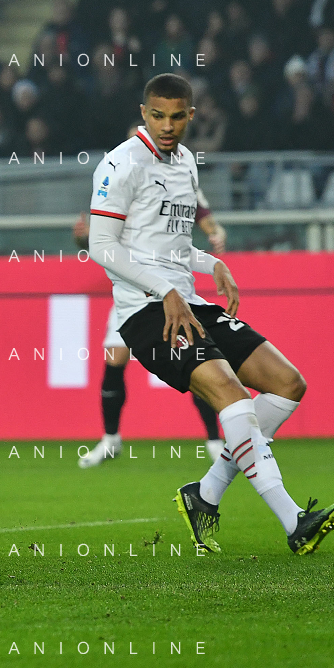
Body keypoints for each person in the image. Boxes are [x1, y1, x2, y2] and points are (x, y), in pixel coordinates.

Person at [89, 73, 334, 555]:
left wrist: (212, 264)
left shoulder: (186, 161)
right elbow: (102, 247)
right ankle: (295, 520)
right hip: (147, 312)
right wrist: (164, 289)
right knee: (232, 395)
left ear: (191, 115)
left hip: (188, 301)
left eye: (177, 116)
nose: (167, 126)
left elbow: (170, 245)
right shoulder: (120, 164)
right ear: (144, 113)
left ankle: (205, 494)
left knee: (288, 383)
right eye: (157, 116)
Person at [73, 160, 227, 468]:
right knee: (114, 360)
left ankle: (214, 440)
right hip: (130, 292)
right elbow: (97, 238)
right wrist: (83, 236)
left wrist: (214, 232)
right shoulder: (119, 179)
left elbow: (200, 210)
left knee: (196, 363)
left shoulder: (176, 176)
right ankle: (111, 440)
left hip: (170, 288)